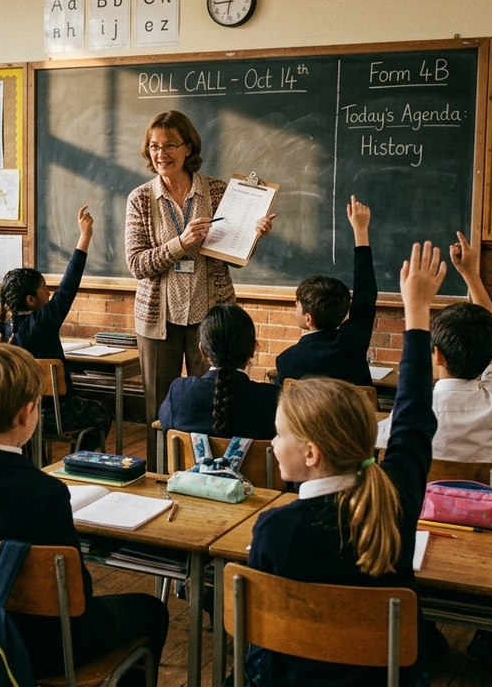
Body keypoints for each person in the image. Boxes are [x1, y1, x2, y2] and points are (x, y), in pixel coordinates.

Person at [0, 230, 169, 682]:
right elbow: (76, 597)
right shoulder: (45, 493)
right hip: (42, 647)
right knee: (151, 610)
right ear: (30, 411)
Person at [244, 240, 443, 687]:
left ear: (311, 453)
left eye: (280, 434)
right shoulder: (395, 496)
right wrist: (417, 314)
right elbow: (413, 414)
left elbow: (263, 649)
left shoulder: (276, 530)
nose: (272, 443)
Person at [124, 110, 275, 470]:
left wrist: (252, 236)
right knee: (160, 411)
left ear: (188, 147)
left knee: (211, 408)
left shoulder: (219, 191)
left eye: (170, 145)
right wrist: (181, 243)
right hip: (158, 321)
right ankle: (161, 475)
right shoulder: (141, 199)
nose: (161, 154)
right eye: (154, 146)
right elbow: (137, 265)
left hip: (209, 320)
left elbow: (233, 258)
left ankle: (214, 475)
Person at [381, 229, 492, 464]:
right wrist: (470, 274)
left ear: (438, 355)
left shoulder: (412, 413)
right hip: (485, 500)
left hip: (423, 502)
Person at [0, 205, 109, 453]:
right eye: (44, 288)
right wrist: (84, 237)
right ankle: (77, 460)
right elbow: (68, 286)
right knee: (101, 413)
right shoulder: (43, 321)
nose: (50, 291)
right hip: (55, 413)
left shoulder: (1, 328)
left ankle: (36, 461)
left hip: (16, 414)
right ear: (30, 300)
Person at [274, 196, 376, 387]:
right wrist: (361, 231)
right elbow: (365, 293)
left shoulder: (287, 361)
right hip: (355, 417)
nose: (294, 307)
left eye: (297, 305)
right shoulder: (352, 342)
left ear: (309, 318)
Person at [157, 303, 278, 440]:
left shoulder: (180, 394)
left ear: (202, 351)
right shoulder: (271, 400)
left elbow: (165, 424)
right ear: (251, 350)